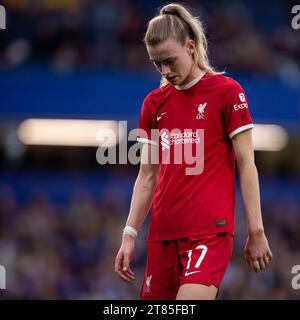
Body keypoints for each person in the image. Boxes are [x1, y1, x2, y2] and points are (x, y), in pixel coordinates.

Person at [114, 3, 273, 300]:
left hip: (209, 234)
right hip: (162, 236)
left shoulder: (227, 92)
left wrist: (256, 230)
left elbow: (246, 164)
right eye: (157, 63)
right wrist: (129, 235)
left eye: (171, 60)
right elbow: (147, 177)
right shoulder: (153, 104)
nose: (165, 71)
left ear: (190, 47)